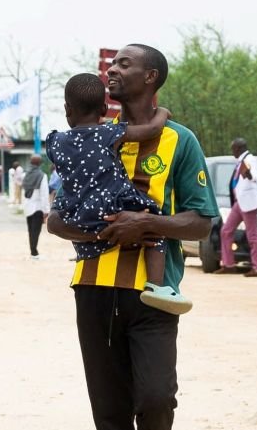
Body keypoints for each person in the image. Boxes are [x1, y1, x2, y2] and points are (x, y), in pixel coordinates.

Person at [47, 44, 218, 430]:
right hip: (93, 288)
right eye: (112, 63)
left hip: (153, 294)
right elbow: (57, 217)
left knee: (157, 398)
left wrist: (145, 225)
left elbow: (202, 222)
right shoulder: (87, 138)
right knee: (109, 411)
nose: (112, 69)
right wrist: (100, 231)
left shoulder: (180, 141)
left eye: (124, 64)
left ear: (150, 77)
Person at [47, 73, 192, 313]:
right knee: (153, 217)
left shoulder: (56, 141)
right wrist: (163, 113)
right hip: (112, 206)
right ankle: (158, 287)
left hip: (77, 213)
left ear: (66, 109)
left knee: (89, 234)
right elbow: (151, 130)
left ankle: (93, 251)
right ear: (104, 108)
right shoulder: (108, 134)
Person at [215, 138, 257, 276]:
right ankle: (228, 265)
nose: (232, 151)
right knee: (226, 231)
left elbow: (256, 177)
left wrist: (249, 174)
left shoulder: (251, 160)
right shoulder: (240, 162)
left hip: (249, 203)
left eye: (233, 149)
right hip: (239, 203)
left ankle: (256, 267)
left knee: (252, 235)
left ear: (238, 148)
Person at [22, 155, 49, 260]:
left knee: (30, 230)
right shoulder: (42, 176)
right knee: (36, 231)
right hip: (38, 207)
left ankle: (33, 251)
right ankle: (34, 253)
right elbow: (44, 194)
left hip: (28, 206)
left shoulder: (26, 174)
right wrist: (46, 210)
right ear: (40, 164)